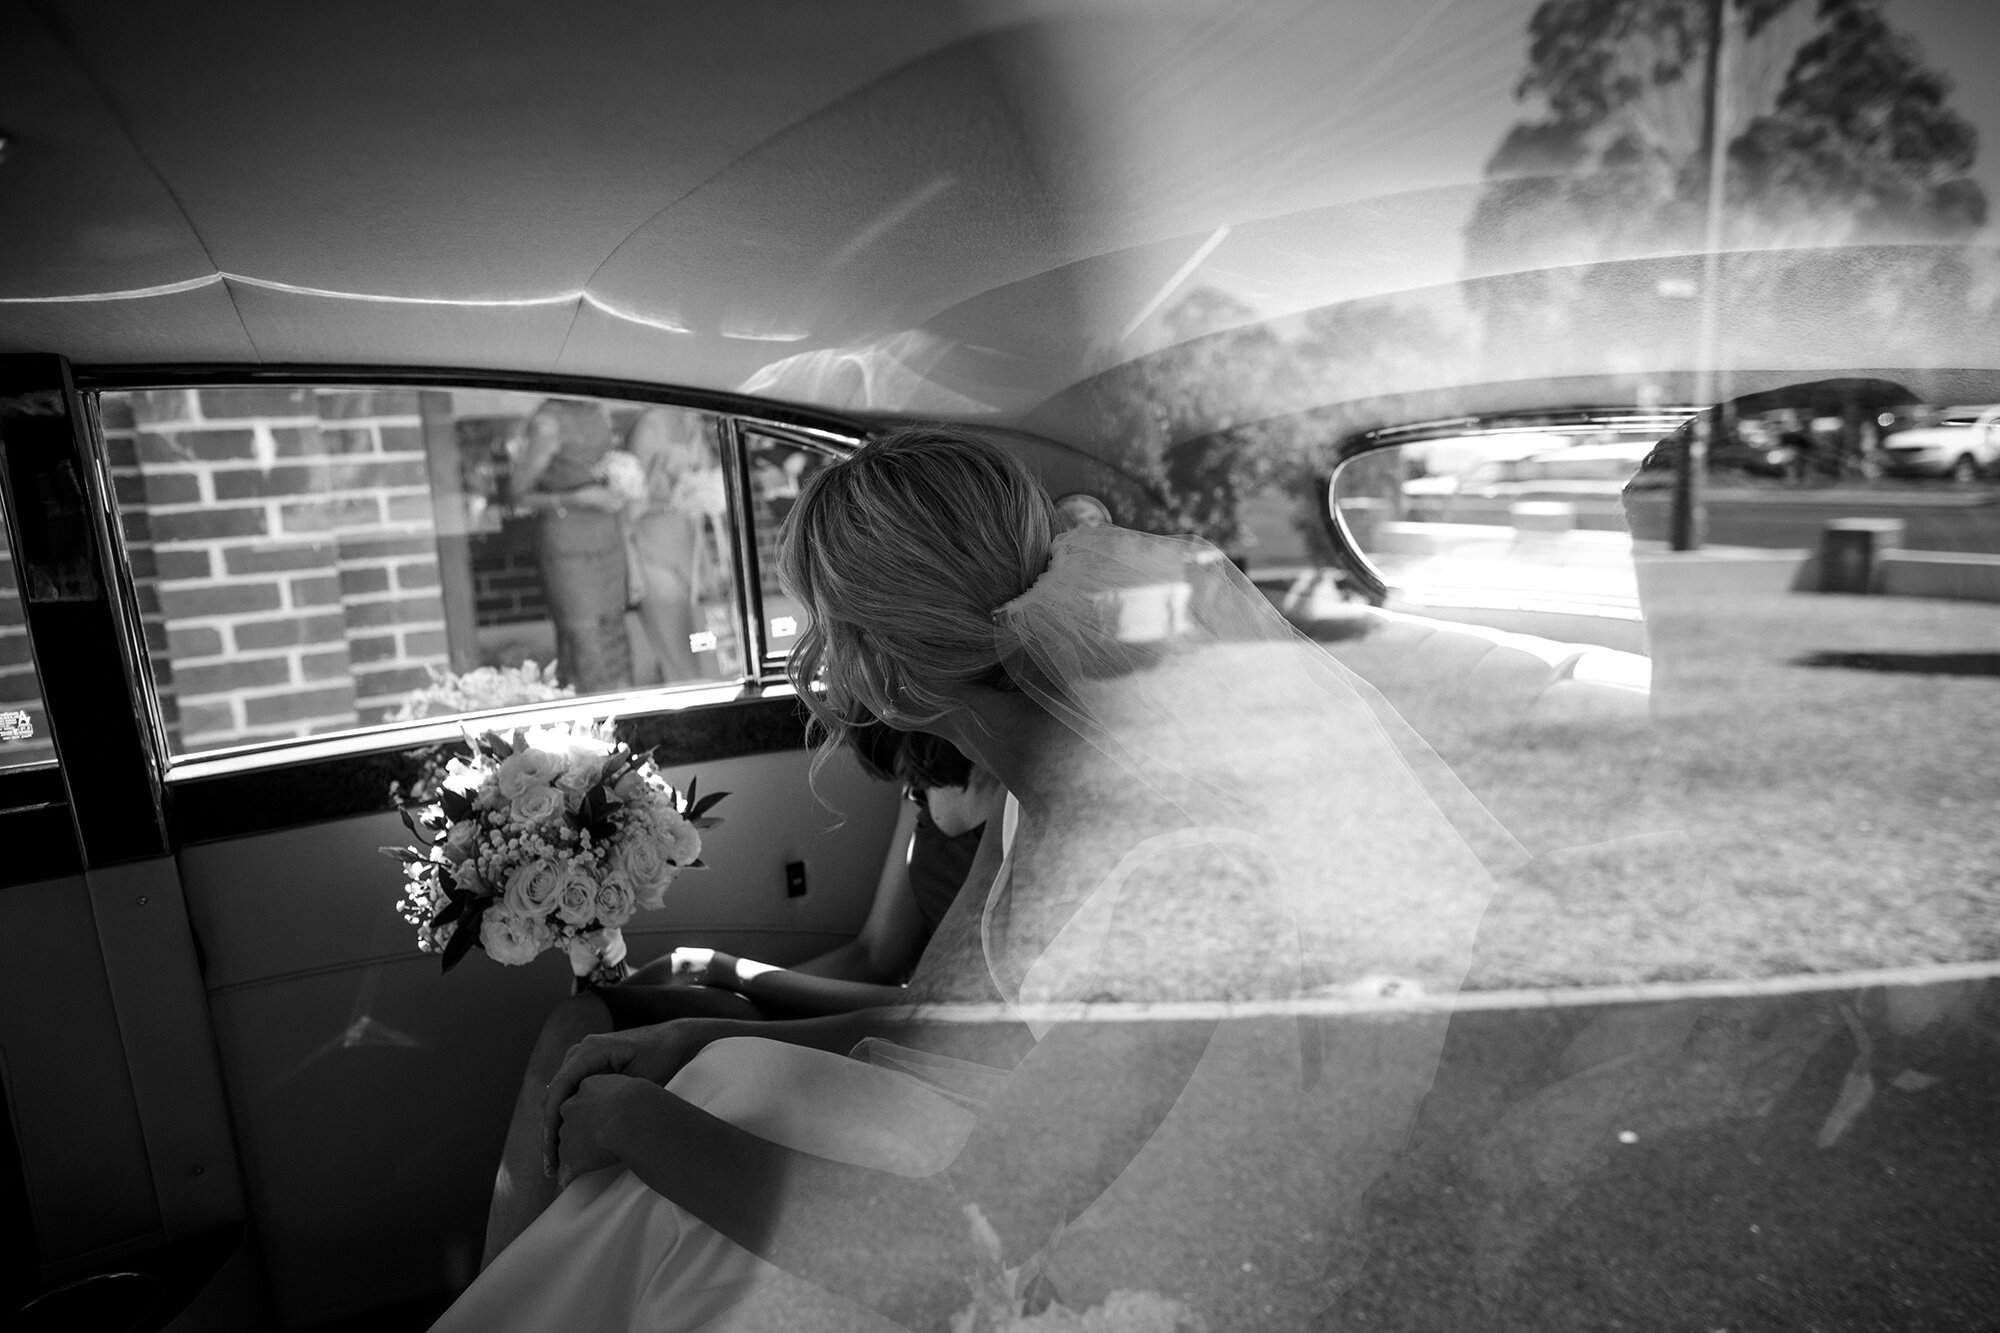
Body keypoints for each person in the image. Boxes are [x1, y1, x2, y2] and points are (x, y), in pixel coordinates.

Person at [435, 426, 1510, 1332]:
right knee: (730, 1080)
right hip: (999, 1196)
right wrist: (693, 1038)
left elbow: (958, 1252)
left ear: (889, 670)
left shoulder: (1181, 872)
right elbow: (976, 1042)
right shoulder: (1031, 796)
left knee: (701, 1134)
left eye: (823, 627)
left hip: (1092, 1282)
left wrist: (639, 1124)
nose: (816, 661)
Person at [478, 722, 1003, 1267]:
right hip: (885, 1002)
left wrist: (730, 972)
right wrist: (718, 974)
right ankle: (492, 1295)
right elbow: (876, 953)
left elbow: (936, 1011)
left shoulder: (1014, 795)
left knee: (664, 1036)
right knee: (582, 1020)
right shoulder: (918, 767)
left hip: (924, 1034)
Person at [511, 398, 634, 692]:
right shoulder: (549, 421)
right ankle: (594, 721)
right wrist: (576, 499)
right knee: (584, 641)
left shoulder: (597, 408)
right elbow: (517, 494)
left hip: (607, 537)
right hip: (569, 545)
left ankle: (630, 719)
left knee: (615, 636)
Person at [625, 407, 735, 683]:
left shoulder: (692, 421)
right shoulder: (651, 428)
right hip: (655, 551)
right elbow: (630, 507)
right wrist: (674, 486)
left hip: (693, 551)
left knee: (715, 658)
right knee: (681, 665)